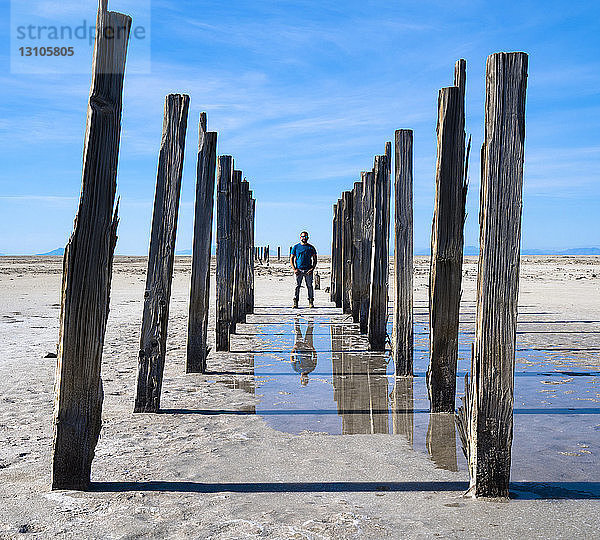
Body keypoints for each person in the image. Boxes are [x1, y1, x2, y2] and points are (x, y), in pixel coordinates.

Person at [290, 231, 317, 308]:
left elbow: (315, 259)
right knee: (297, 286)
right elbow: (291, 258)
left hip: (308, 270)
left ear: (307, 238)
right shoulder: (296, 247)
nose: (304, 238)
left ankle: (311, 302)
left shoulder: (311, 248)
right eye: (302, 237)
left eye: (305, 237)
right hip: (298, 270)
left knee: (309, 286)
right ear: (300, 237)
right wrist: (294, 269)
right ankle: (295, 302)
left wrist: (312, 268)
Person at [290, 317, 317, 386]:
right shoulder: (311, 368)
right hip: (308, 347)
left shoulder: (296, 369)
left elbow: (292, 359)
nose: (305, 378)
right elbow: (315, 358)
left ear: (301, 378)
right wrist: (313, 349)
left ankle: (296, 319)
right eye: (306, 380)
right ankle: (310, 319)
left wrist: (293, 349)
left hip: (298, 347)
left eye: (303, 380)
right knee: (309, 332)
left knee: (297, 332)